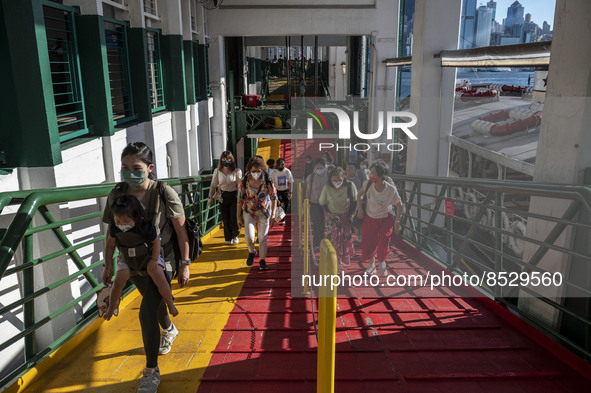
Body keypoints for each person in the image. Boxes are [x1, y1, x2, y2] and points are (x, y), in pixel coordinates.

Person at [101, 142, 191, 393]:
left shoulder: (164, 192)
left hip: (162, 260)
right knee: (156, 303)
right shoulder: (117, 194)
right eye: (125, 167)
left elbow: (181, 231)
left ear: (150, 168)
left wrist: (185, 265)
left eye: (136, 167)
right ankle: (170, 330)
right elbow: (111, 234)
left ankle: (151, 371)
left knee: (146, 309)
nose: (130, 172)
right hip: (130, 261)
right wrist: (107, 265)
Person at [103, 194, 178, 320]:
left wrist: (154, 260)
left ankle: (170, 304)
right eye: (118, 221)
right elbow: (110, 245)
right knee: (119, 280)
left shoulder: (144, 227)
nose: (122, 225)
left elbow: (155, 242)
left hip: (148, 255)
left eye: (126, 221)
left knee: (159, 276)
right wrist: (108, 265)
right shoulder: (116, 229)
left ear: (136, 217)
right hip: (127, 256)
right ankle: (111, 308)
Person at [356, 162, 403, 277]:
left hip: (385, 218)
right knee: (370, 241)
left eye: (373, 173)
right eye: (370, 172)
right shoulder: (368, 184)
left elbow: (399, 205)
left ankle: (382, 262)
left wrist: (397, 222)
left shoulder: (391, 190)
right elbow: (359, 195)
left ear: (382, 175)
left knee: (384, 240)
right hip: (370, 216)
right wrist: (360, 210)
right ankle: (372, 265)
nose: (371, 175)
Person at [237, 156, 277, 270]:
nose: (256, 173)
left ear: (262, 169)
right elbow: (239, 200)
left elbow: (274, 197)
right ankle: (252, 251)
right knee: (249, 236)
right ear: (249, 170)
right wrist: (237, 217)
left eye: (258, 171)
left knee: (262, 237)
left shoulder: (268, 180)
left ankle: (262, 260)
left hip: (264, 211)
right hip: (249, 211)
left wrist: (273, 214)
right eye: (253, 171)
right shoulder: (245, 180)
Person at [319, 167, 357, 265]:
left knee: (344, 239)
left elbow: (355, 201)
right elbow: (322, 203)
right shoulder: (327, 188)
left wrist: (352, 215)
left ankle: (342, 260)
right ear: (330, 179)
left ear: (344, 178)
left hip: (346, 217)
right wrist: (329, 213)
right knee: (335, 239)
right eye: (334, 180)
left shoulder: (350, 186)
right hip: (332, 217)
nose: (337, 182)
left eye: (339, 180)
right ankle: (335, 262)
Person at [209, 151, 242, 245]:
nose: (226, 161)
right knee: (225, 218)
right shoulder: (217, 171)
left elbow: (239, 186)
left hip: (234, 196)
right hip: (223, 197)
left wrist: (241, 198)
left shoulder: (237, 171)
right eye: (224, 159)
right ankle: (228, 237)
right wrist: (210, 197)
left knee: (233, 217)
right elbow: (213, 185)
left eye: (228, 159)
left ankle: (235, 235)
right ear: (221, 160)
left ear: (232, 160)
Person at [306, 157, 330, 250]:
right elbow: (308, 190)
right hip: (314, 202)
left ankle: (325, 241)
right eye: (317, 168)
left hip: (326, 203)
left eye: (321, 168)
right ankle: (317, 242)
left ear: (324, 167)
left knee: (325, 223)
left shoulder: (328, 176)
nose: (319, 170)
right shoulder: (311, 177)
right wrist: (306, 202)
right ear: (314, 168)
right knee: (316, 223)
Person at [270, 158, 293, 225]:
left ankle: (283, 217)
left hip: (286, 190)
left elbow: (290, 182)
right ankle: (282, 219)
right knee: (281, 204)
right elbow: (272, 183)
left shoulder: (287, 172)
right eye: (279, 165)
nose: (280, 166)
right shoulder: (274, 172)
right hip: (278, 191)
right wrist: (274, 193)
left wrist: (290, 192)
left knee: (286, 205)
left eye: (281, 165)